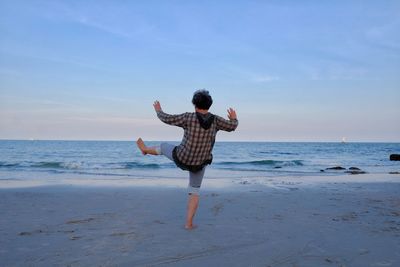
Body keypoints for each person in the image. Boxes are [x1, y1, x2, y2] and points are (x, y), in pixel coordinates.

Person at [136, 90, 238, 230]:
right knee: (194, 192)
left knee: (164, 147)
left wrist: (158, 110)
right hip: (200, 163)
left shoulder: (188, 117)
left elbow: (166, 118)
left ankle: (145, 150)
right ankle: (189, 224)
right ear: (209, 105)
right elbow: (233, 126)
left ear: (195, 104)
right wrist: (234, 118)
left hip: (182, 157)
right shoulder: (216, 120)